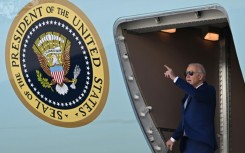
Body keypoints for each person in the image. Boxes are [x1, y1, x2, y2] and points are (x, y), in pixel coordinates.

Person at [164, 63, 217, 153]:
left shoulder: (208, 90)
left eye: (191, 73)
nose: (187, 76)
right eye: (186, 73)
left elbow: (196, 94)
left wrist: (175, 78)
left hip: (201, 143)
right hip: (187, 143)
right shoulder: (188, 95)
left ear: (200, 76)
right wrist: (173, 138)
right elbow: (185, 119)